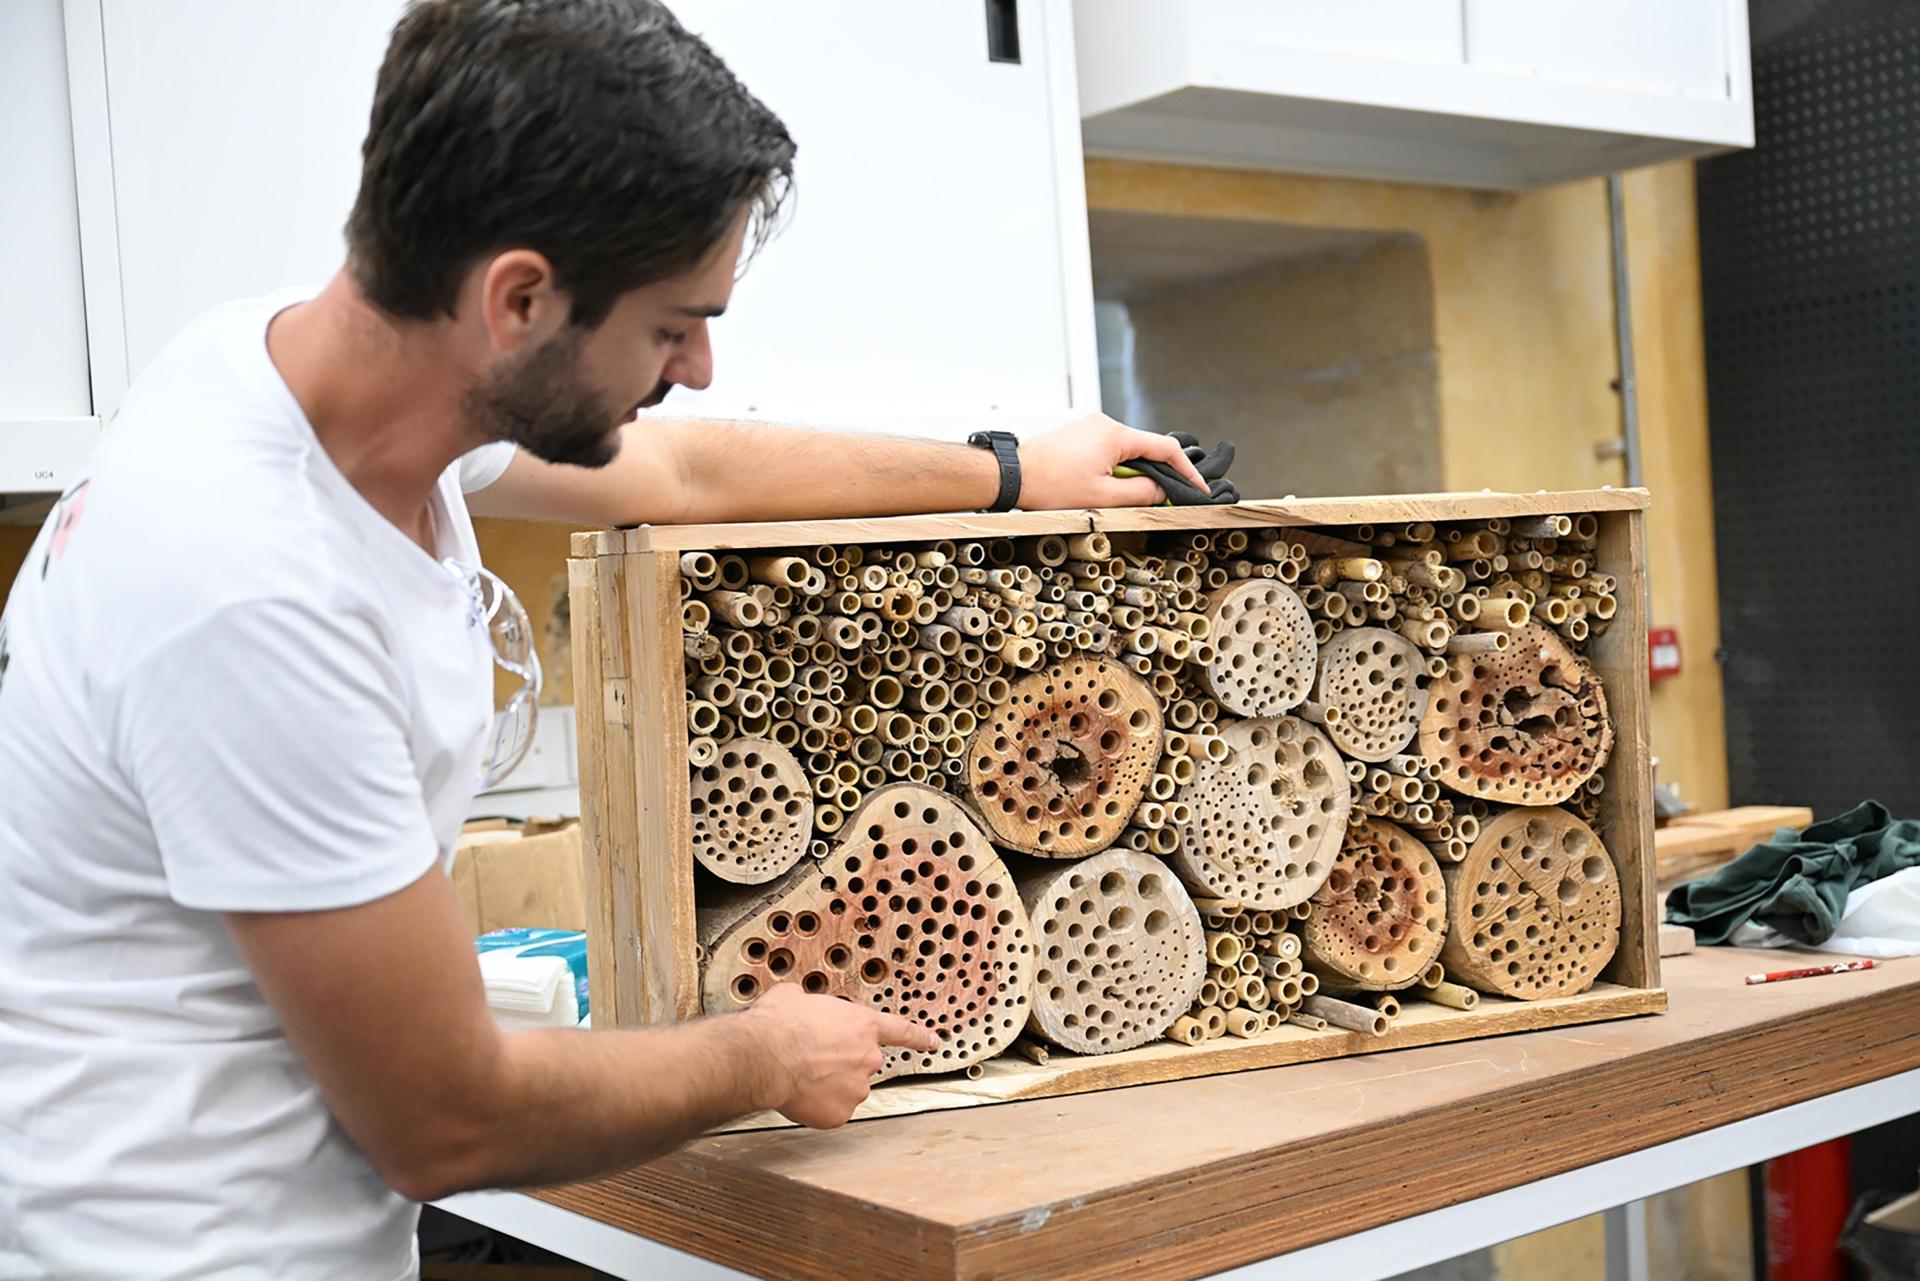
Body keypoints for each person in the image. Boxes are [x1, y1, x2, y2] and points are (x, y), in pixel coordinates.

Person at [0, 1, 1207, 1277]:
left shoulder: (314, 376)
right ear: (518, 298)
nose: (692, 367)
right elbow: (443, 1120)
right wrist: (765, 1053)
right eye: (673, 323)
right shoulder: (249, 592)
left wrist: (1012, 472)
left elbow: (679, 474)